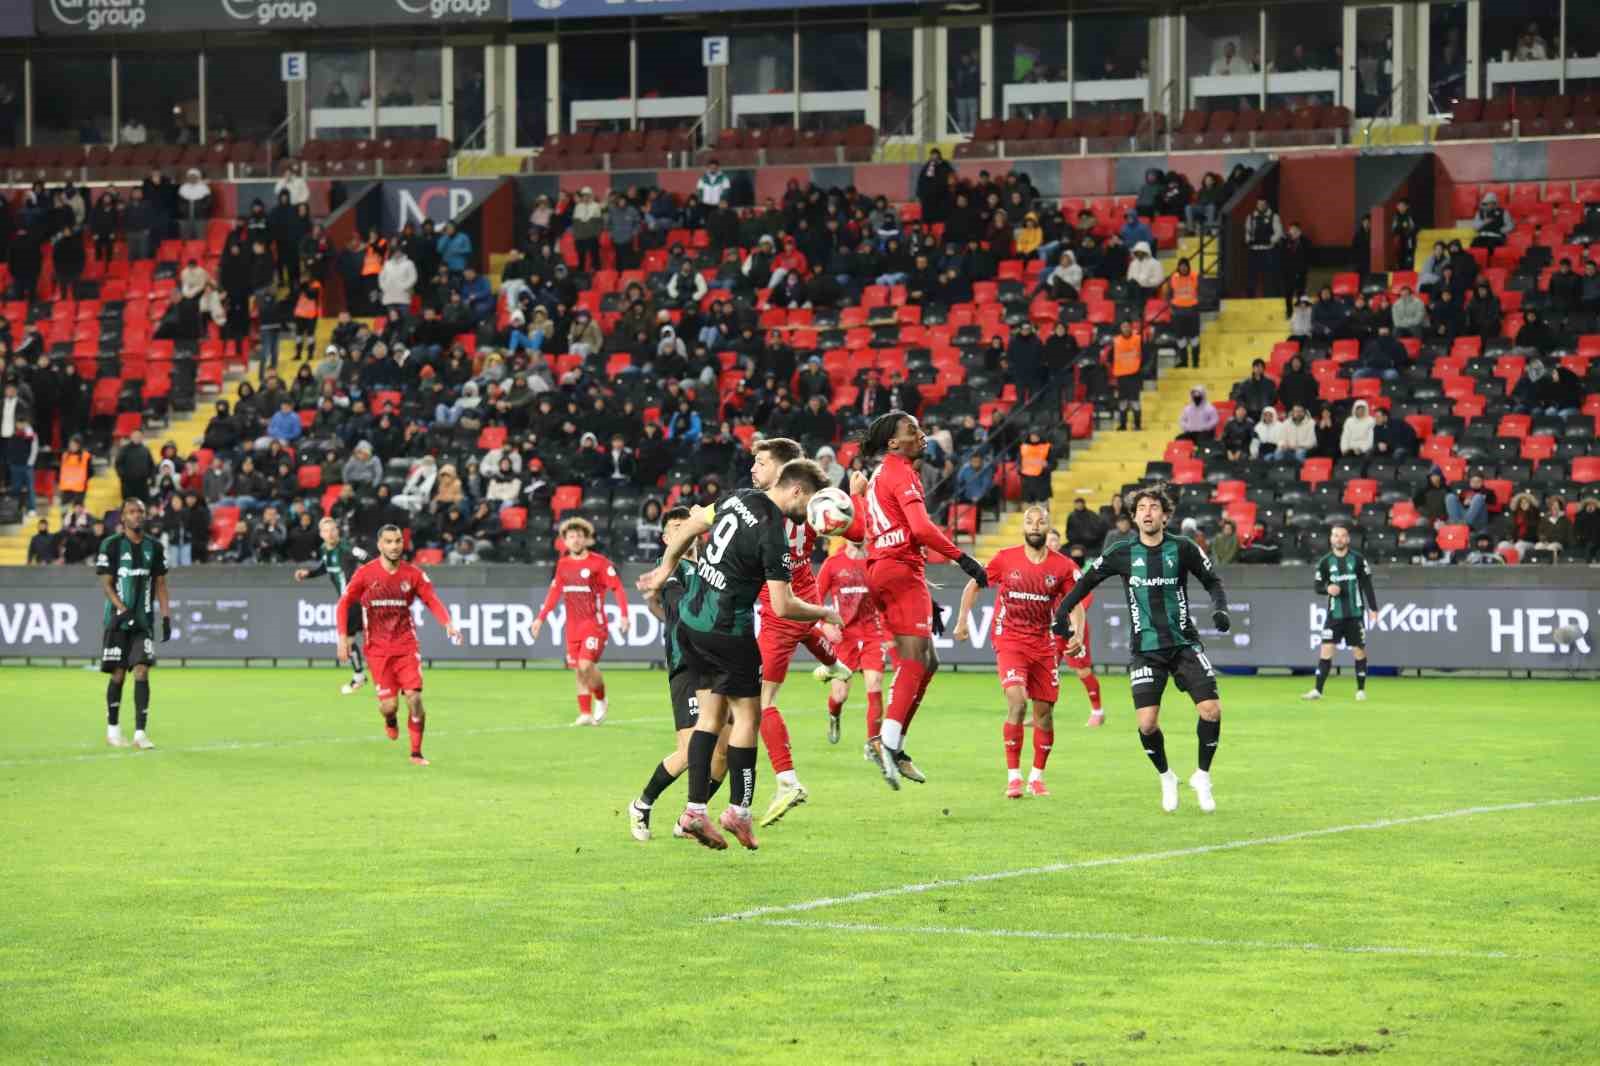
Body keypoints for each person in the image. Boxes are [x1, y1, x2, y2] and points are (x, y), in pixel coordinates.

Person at [635, 459, 841, 851]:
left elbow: (694, 523)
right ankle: (738, 812)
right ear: (797, 490)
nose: (810, 512)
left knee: (710, 718)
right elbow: (783, 606)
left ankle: (695, 809)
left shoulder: (737, 498)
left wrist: (665, 569)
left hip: (694, 625)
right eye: (810, 502)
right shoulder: (774, 534)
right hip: (729, 630)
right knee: (749, 714)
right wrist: (824, 612)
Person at [1052, 485, 1231, 813]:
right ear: (1134, 517)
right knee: (1147, 724)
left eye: (1154, 507)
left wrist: (1220, 608)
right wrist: (1063, 612)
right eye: (1142, 508)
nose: (1148, 512)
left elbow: (1212, 581)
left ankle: (1202, 776)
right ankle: (1166, 775)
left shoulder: (1183, 548)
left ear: (1165, 515)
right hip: (1146, 650)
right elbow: (1086, 581)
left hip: (1184, 644)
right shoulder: (1121, 552)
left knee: (1212, 710)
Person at [858, 411, 988, 789]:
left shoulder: (880, 476)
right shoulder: (900, 472)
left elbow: (873, 528)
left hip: (884, 569)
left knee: (927, 660)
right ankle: (887, 742)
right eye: (911, 430)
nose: (922, 434)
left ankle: (894, 745)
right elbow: (920, 528)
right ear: (894, 443)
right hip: (898, 569)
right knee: (916, 660)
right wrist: (964, 559)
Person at [747, 438, 854, 827]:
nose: (754, 470)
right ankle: (838, 666)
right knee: (808, 631)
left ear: (783, 473)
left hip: (783, 607)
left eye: (760, 463)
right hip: (802, 593)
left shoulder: (768, 511)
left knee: (761, 703)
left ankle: (787, 781)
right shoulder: (813, 508)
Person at [952, 505, 1083, 798]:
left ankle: (1037, 777)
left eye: (1041, 522)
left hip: (1044, 643)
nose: (1035, 526)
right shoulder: (1005, 559)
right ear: (1023, 527)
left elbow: (1073, 602)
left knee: (1044, 713)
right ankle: (1013, 777)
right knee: (1017, 700)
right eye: (1030, 521)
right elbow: (974, 585)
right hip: (1009, 639)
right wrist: (962, 621)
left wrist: (1079, 631)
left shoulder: (1061, 567)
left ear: (1049, 528)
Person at [627, 507, 731, 842]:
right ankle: (642, 804)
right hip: (688, 665)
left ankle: (688, 819)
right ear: (667, 538)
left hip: (715, 663)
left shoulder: (705, 568)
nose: (683, 531)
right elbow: (680, 607)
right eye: (676, 527)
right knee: (691, 751)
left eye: (688, 525)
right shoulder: (670, 567)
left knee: (724, 752)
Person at [336, 525, 464, 767]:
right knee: (388, 706)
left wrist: (447, 623)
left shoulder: (412, 574)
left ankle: (416, 753)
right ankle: (391, 720)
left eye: (397, 541)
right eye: (389, 542)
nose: (394, 546)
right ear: (379, 545)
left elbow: (431, 599)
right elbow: (343, 604)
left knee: (414, 698)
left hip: (406, 645)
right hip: (377, 650)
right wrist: (342, 637)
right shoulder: (366, 574)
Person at [530, 517, 629, 727]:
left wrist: (624, 615)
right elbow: (554, 592)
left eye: (579, 536)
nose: (575, 540)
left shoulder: (599, 563)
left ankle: (601, 699)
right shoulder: (563, 564)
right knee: (578, 669)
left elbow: (617, 587)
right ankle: (585, 713)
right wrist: (540, 619)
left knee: (586, 664)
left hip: (595, 624)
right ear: (564, 541)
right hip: (573, 627)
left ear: (586, 539)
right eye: (571, 536)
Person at [97, 499, 172, 751]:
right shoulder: (111, 545)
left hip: (143, 621)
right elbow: (107, 584)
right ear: (123, 517)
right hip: (118, 621)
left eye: (140, 511)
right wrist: (123, 609)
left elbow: (161, 584)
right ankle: (113, 730)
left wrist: (166, 617)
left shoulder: (155, 547)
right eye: (132, 512)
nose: (137, 516)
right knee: (118, 674)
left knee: (142, 670)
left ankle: (140, 734)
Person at [814, 536, 888, 753]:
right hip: (844, 636)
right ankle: (834, 715)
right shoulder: (832, 564)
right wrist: (824, 625)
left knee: (874, 685)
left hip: (873, 634)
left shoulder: (877, 561)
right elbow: (814, 597)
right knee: (840, 695)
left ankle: (874, 744)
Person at [293, 517, 372, 696]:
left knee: (361, 643)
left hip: (359, 602)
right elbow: (325, 568)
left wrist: (375, 577)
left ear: (338, 530)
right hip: (348, 604)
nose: (331, 533)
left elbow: (368, 558)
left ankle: (368, 677)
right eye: (326, 531)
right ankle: (360, 676)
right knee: (350, 643)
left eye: (334, 529)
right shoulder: (324, 550)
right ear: (321, 534)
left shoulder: (346, 548)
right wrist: (308, 574)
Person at [1302, 524, 1378, 702]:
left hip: (1355, 614)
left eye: (1343, 536)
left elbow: (1367, 585)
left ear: (1348, 539)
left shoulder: (1358, 560)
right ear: (1331, 539)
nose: (1339, 539)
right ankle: (1317, 690)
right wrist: (1328, 588)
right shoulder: (1325, 562)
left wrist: (1373, 608)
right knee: (1326, 650)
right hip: (1334, 615)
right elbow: (1317, 587)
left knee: (1359, 651)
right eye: (1336, 536)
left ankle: (1360, 690)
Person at [1108, 319, 1144, 431]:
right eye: (1123, 326)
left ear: (1131, 327)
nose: (1126, 328)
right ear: (1120, 328)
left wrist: (1142, 368)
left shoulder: (1138, 339)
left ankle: (1137, 425)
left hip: (1135, 375)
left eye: (1128, 326)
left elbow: (1146, 354)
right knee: (1122, 401)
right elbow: (1110, 357)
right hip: (1121, 376)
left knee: (1135, 401)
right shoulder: (1116, 341)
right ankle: (1123, 425)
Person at [1164, 257, 1201, 366]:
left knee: (1194, 338)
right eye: (1181, 266)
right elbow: (1168, 294)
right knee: (1180, 338)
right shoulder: (1173, 278)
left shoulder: (1195, 276)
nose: (1183, 268)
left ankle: (1195, 363)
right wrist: (1170, 306)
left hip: (1192, 311)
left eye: (1185, 266)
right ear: (1178, 267)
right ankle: (1184, 362)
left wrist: (1199, 303)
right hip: (1178, 312)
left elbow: (1201, 291)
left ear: (1188, 266)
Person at [1243, 199, 1283, 298]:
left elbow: (1279, 232)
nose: (1261, 206)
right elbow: (1247, 231)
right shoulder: (1251, 217)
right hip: (1254, 250)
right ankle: (1250, 299)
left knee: (1269, 276)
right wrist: (1249, 240)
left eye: (1263, 204)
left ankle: (1270, 297)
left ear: (1267, 205)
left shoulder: (1274, 216)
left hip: (1268, 250)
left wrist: (1270, 240)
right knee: (1251, 276)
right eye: (1259, 204)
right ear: (1256, 205)